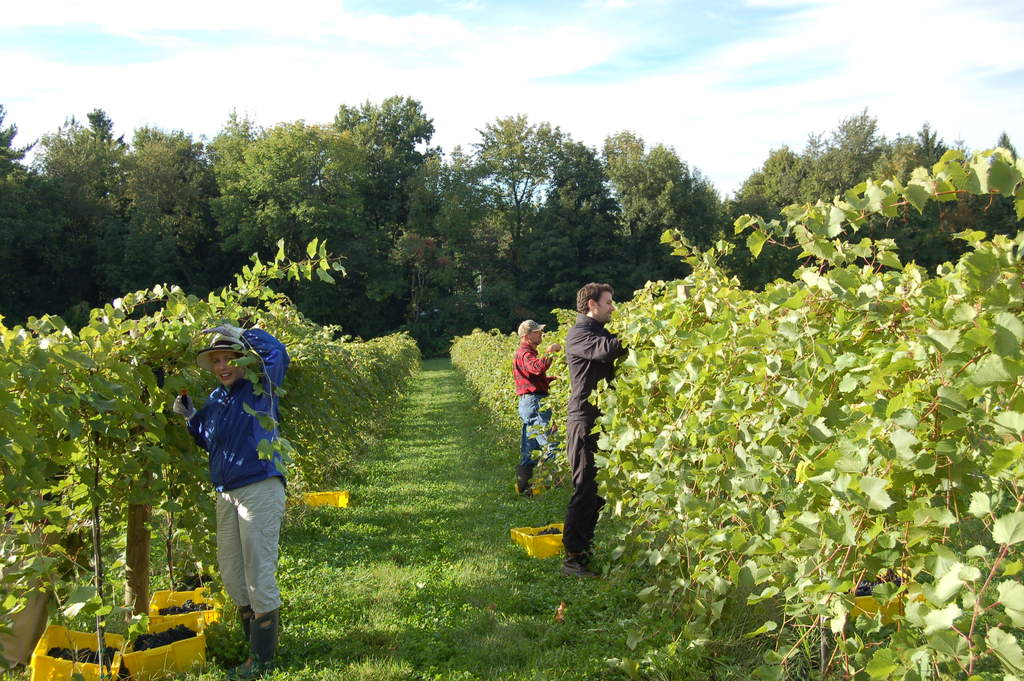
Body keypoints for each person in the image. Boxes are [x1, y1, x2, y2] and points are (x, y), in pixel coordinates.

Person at [172, 323, 288, 680]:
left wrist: (245, 331)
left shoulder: (259, 387)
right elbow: (210, 440)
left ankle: (262, 661)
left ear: (243, 360)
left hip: (259, 486)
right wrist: (192, 417)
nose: (222, 366)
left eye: (229, 358)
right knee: (233, 573)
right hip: (226, 491)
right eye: (216, 360)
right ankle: (252, 649)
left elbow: (278, 354)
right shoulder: (217, 399)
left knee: (258, 571)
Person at [562, 283, 625, 577]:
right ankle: (572, 559)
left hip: (601, 420)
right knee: (585, 488)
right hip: (583, 421)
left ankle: (584, 550)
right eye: (609, 302)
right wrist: (638, 332)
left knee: (597, 491)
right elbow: (606, 352)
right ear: (591, 304)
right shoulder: (579, 334)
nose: (613, 307)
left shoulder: (599, 331)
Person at [512, 319, 562, 496]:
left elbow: (532, 379)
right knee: (551, 443)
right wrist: (550, 353)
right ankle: (545, 486)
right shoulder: (525, 354)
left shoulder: (525, 353)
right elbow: (536, 369)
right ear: (526, 336)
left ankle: (523, 487)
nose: (540, 334)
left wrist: (551, 380)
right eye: (537, 332)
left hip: (528, 402)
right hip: (535, 403)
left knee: (530, 448)